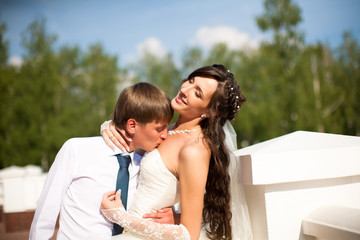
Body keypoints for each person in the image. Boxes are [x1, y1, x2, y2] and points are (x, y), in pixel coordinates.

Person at [100, 64, 253, 240]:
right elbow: (136, 137)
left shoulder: (194, 150)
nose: (185, 89)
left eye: (197, 93)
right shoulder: (170, 129)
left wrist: (120, 217)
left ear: (211, 111)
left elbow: (188, 234)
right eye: (190, 80)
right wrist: (112, 126)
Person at [29, 82, 175, 240]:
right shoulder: (76, 150)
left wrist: (173, 217)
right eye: (160, 128)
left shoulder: (149, 165)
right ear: (132, 125)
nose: (165, 135)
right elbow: (45, 214)